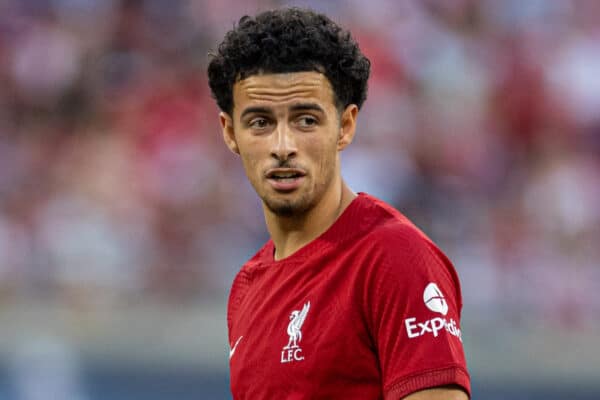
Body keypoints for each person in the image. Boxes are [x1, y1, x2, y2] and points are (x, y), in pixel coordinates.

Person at [207, 8, 470, 400]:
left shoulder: (394, 258)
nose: (283, 147)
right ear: (230, 132)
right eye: (260, 122)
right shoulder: (247, 285)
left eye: (306, 120)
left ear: (345, 126)